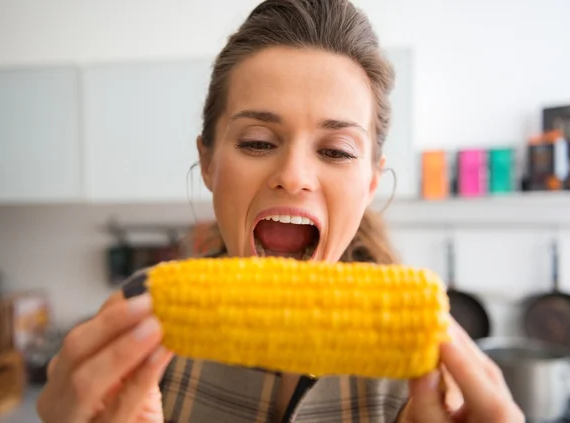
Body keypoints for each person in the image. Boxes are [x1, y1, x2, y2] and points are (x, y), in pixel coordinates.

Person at [37, 0, 525, 422]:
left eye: (335, 151)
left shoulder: (428, 384)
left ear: (371, 182)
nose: (293, 176)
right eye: (256, 141)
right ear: (208, 162)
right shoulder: (134, 325)